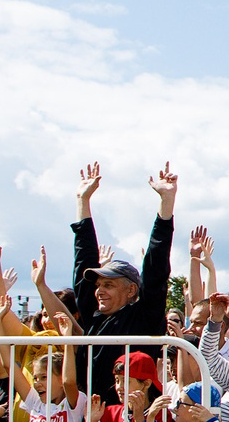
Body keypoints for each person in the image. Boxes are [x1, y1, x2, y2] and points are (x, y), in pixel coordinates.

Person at [66, 162, 179, 409]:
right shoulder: (93, 317)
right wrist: (82, 201)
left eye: (108, 284)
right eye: (98, 285)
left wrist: (166, 205)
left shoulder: (143, 316)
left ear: (131, 290)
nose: (99, 291)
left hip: (135, 421)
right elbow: (82, 263)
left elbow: (156, 268)